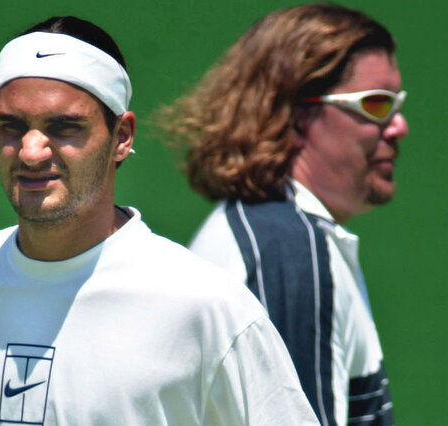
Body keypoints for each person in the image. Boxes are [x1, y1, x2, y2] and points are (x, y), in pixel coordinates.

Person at [0, 16, 320, 426]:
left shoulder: (208, 305)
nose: (30, 151)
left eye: (63, 127)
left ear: (121, 137)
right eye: (12, 126)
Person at [157, 4, 409, 426]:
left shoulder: (273, 236)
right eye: (377, 104)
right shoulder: (289, 255)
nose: (398, 125)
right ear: (293, 113)